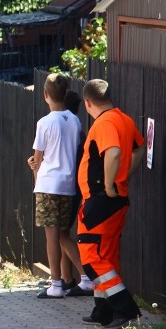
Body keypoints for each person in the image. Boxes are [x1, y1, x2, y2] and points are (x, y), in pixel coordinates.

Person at [77, 79, 146, 329]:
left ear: (87, 103)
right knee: (105, 255)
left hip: (101, 199)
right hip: (113, 200)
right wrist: (124, 175)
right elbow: (139, 148)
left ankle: (126, 310)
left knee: (91, 256)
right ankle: (103, 311)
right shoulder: (123, 119)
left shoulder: (104, 122)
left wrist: (108, 184)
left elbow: (114, 152)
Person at [28, 74, 93, 298]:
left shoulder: (44, 122)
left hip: (48, 183)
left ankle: (56, 285)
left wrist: (34, 166)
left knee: (51, 237)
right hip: (68, 184)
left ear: (46, 95)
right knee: (64, 234)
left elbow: (37, 158)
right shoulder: (74, 121)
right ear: (65, 95)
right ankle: (86, 278)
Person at [60, 89, 94, 296]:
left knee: (60, 234)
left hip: (69, 186)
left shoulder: (68, 128)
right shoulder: (77, 127)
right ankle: (67, 278)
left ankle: (86, 276)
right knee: (63, 232)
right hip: (77, 187)